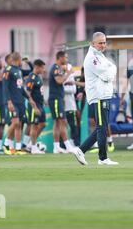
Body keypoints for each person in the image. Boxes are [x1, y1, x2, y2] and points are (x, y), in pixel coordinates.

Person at [72, 32, 118, 166]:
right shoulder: (92, 58)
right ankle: (101, 157)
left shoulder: (100, 56)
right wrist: (111, 70)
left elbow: (112, 69)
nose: (103, 45)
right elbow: (107, 75)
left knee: (101, 127)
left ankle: (82, 151)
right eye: (100, 43)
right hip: (98, 96)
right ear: (93, 43)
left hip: (104, 95)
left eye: (104, 42)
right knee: (102, 127)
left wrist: (112, 70)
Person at [3, 52, 37, 155]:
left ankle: (17, 149)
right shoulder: (8, 70)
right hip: (12, 102)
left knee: (19, 125)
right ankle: (6, 144)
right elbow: (5, 87)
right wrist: (9, 102)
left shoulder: (18, 71)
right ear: (18, 59)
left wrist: (29, 98)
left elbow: (21, 87)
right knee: (15, 122)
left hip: (20, 101)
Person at [48, 51, 75, 154]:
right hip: (55, 99)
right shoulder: (55, 68)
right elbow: (59, 81)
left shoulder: (58, 69)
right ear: (60, 57)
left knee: (58, 122)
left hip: (57, 98)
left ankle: (56, 147)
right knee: (62, 121)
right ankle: (68, 146)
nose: (66, 60)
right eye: (65, 58)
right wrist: (68, 73)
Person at [25, 59, 47, 154]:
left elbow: (39, 92)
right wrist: (34, 107)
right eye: (42, 67)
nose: (44, 70)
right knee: (34, 126)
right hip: (35, 106)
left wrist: (44, 101)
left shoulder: (39, 77)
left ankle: (30, 145)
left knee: (43, 124)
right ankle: (33, 148)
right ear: (37, 67)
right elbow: (28, 94)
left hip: (41, 104)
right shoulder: (31, 78)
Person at [63, 64, 80, 147]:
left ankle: (74, 143)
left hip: (70, 106)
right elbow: (59, 88)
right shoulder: (59, 77)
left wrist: (65, 86)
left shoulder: (71, 77)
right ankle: (63, 145)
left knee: (73, 125)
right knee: (62, 126)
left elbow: (74, 90)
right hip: (62, 106)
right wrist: (65, 85)